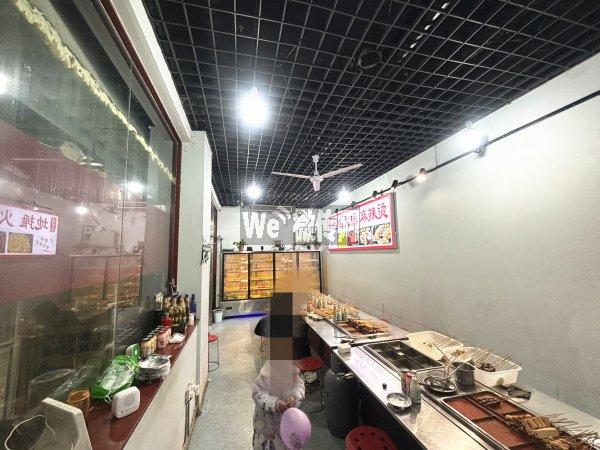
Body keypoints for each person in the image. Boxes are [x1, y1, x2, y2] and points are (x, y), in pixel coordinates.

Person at [252, 359, 305, 449]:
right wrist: (275, 403)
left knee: (287, 442)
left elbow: (299, 386)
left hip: (288, 421)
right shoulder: (264, 377)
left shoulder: (292, 374)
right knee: (270, 444)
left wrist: (293, 397)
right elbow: (257, 394)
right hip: (268, 423)